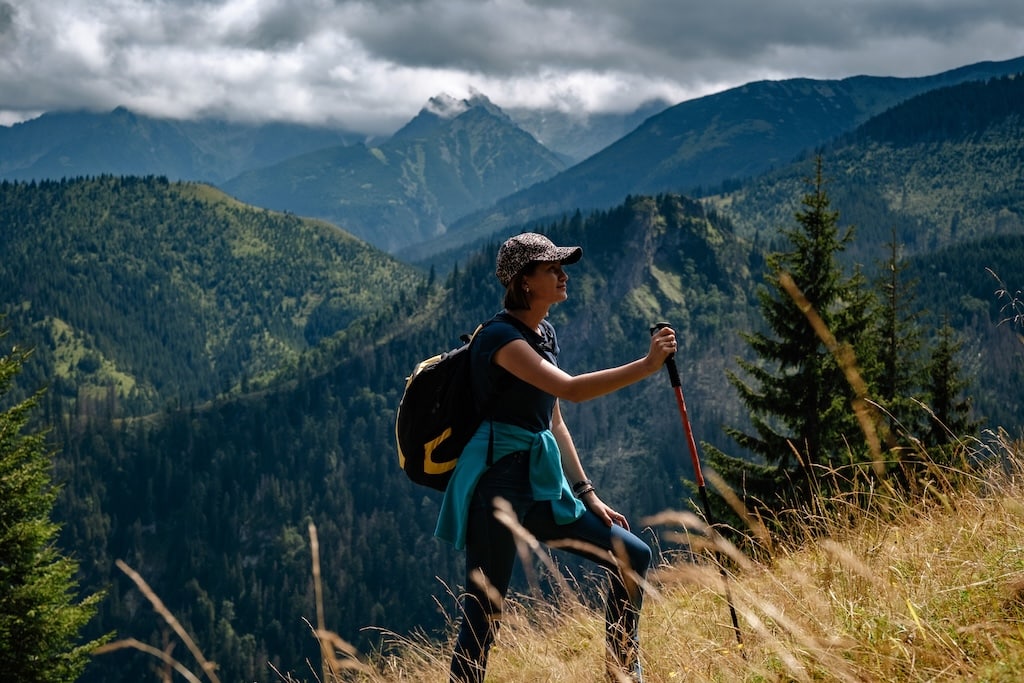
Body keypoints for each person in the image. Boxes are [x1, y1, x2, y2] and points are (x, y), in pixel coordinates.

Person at [435, 232, 677, 682]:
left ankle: (622, 670)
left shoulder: (543, 333)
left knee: (632, 555)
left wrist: (588, 495)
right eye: (552, 269)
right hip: (497, 488)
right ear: (525, 281)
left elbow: (555, 419)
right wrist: (646, 367)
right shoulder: (500, 340)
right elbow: (571, 389)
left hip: (540, 482)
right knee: (483, 614)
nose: (564, 275)